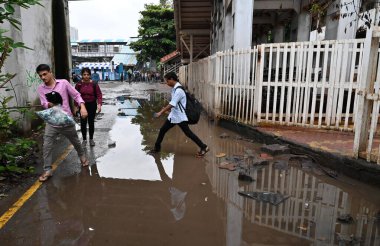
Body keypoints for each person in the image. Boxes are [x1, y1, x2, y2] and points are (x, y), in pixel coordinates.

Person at [36, 64, 89, 182]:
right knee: (47, 146)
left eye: (45, 74)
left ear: (50, 72)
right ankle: (48, 170)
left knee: (75, 141)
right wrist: (49, 104)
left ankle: (82, 156)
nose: (43, 77)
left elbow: (76, 95)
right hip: (52, 122)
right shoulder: (41, 89)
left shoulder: (64, 83)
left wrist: (82, 107)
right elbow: (43, 103)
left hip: (66, 121)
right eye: (40, 76)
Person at [152, 72, 209, 157]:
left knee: (188, 133)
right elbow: (175, 104)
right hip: (174, 116)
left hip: (179, 117)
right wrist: (169, 111)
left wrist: (160, 112)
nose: (167, 83)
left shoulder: (178, 90)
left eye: (167, 81)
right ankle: (157, 148)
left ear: (171, 79)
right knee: (162, 130)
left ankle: (204, 147)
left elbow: (172, 104)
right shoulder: (175, 88)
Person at [75, 68, 103, 146]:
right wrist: (76, 106)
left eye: (88, 74)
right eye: (84, 74)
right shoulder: (79, 84)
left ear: (90, 75)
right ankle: (84, 139)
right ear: (82, 75)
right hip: (82, 105)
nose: (86, 76)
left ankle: (91, 139)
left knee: (91, 122)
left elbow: (99, 94)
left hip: (92, 105)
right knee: (83, 123)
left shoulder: (94, 84)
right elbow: (76, 95)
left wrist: (99, 104)